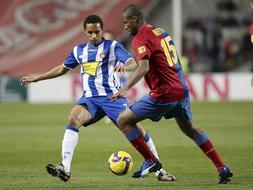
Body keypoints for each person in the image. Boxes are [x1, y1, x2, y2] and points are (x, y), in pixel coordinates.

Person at [20, 15, 175, 182]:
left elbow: (133, 62)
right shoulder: (79, 51)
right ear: (85, 32)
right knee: (73, 119)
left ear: (101, 30)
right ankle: (65, 168)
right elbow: (62, 69)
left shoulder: (112, 46)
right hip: (90, 100)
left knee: (138, 130)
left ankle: (160, 171)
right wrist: (38, 77)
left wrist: (125, 66)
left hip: (112, 98)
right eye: (90, 33)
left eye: (97, 32)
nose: (93, 36)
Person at [109, 4, 233, 184]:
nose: (125, 26)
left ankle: (151, 160)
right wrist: (129, 67)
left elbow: (144, 67)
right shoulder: (160, 31)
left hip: (163, 94)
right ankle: (222, 167)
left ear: (134, 19)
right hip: (181, 90)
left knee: (123, 120)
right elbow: (155, 60)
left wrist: (124, 88)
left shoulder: (140, 38)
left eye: (126, 22)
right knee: (190, 129)